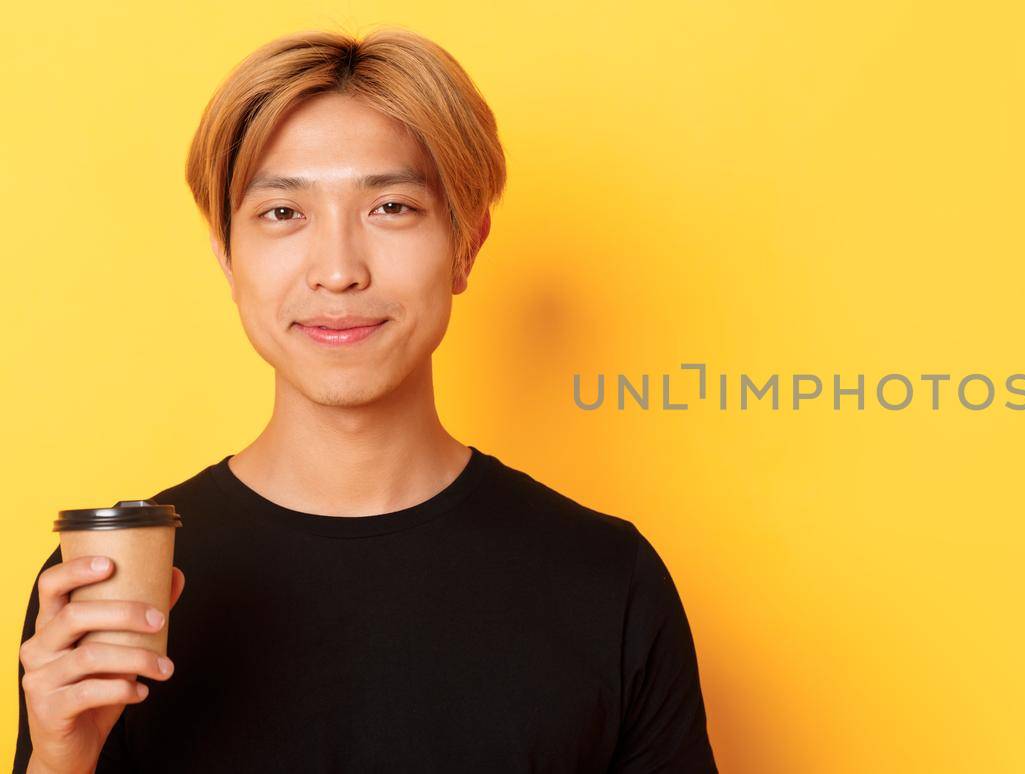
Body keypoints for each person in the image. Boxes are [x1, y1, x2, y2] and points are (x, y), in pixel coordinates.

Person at [12, 27, 717, 773]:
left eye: (391, 207)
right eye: (283, 213)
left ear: (466, 245)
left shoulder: (609, 581)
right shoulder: (114, 587)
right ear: (227, 256)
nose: (339, 272)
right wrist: (61, 760)